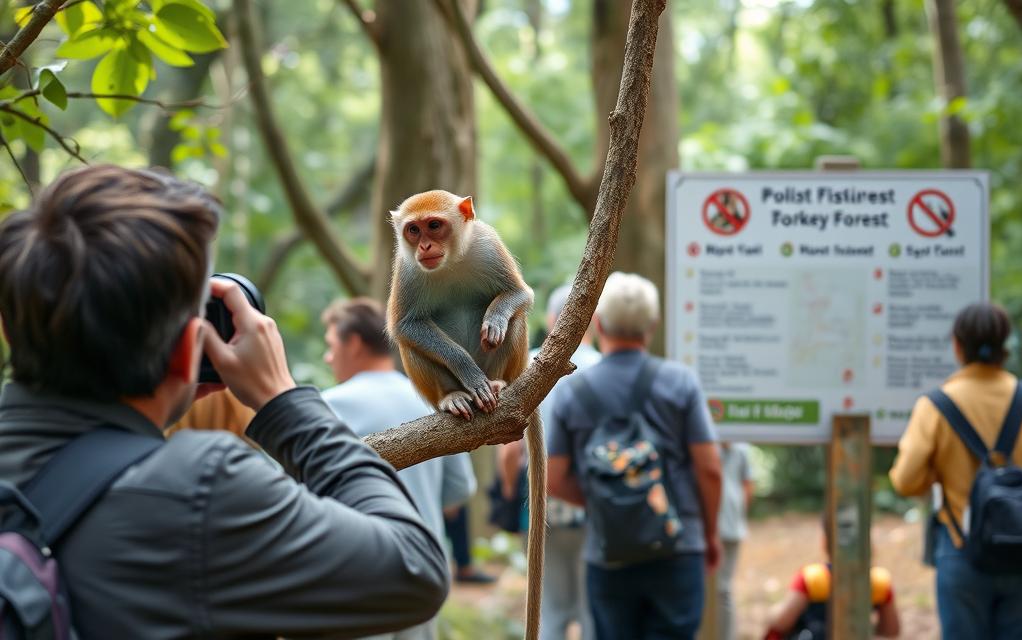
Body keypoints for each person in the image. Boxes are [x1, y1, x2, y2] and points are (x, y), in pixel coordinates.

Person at [0, 166, 448, 638]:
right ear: (192, 347)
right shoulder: (198, 490)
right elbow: (413, 569)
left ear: (9, 329)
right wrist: (282, 399)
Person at [546, 272, 722, 640]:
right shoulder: (680, 382)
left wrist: (603, 500)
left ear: (598, 324)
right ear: (652, 326)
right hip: (679, 544)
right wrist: (709, 533)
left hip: (608, 550)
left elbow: (553, 477)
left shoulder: (571, 392)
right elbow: (710, 469)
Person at [320, 297, 477, 640]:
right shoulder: (431, 399)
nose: (327, 357)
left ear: (355, 343)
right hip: (424, 571)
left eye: (331, 345)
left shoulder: (327, 408)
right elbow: (460, 489)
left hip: (356, 572)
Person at [890, 302, 1022, 639]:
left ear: (957, 345)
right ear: (1005, 345)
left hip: (961, 548)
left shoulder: (935, 406)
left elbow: (906, 481)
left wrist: (940, 472)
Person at [497, 283, 602, 640]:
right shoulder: (604, 368)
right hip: (594, 505)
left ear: (550, 319)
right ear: (594, 323)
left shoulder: (526, 367)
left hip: (542, 507)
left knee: (550, 609)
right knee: (592, 608)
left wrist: (511, 493)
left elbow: (510, 449)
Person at [763, 519, 900, 639]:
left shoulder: (812, 578)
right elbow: (891, 630)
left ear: (825, 541)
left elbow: (782, 621)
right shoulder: (877, 582)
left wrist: (771, 613)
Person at [717, 441, 754, 640]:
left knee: (722, 590)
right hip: (722, 525)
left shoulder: (740, 447)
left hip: (727, 527)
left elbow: (748, 485)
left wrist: (738, 518)